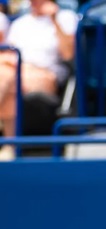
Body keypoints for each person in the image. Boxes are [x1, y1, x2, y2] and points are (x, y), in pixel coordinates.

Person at [0, 0, 77, 161]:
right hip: (15, 70)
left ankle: (10, 144)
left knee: (6, 78)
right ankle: (10, 145)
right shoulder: (20, 24)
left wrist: (54, 19)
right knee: (7, 78)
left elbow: (69, 54)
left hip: (46, 75)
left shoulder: (65, 17)